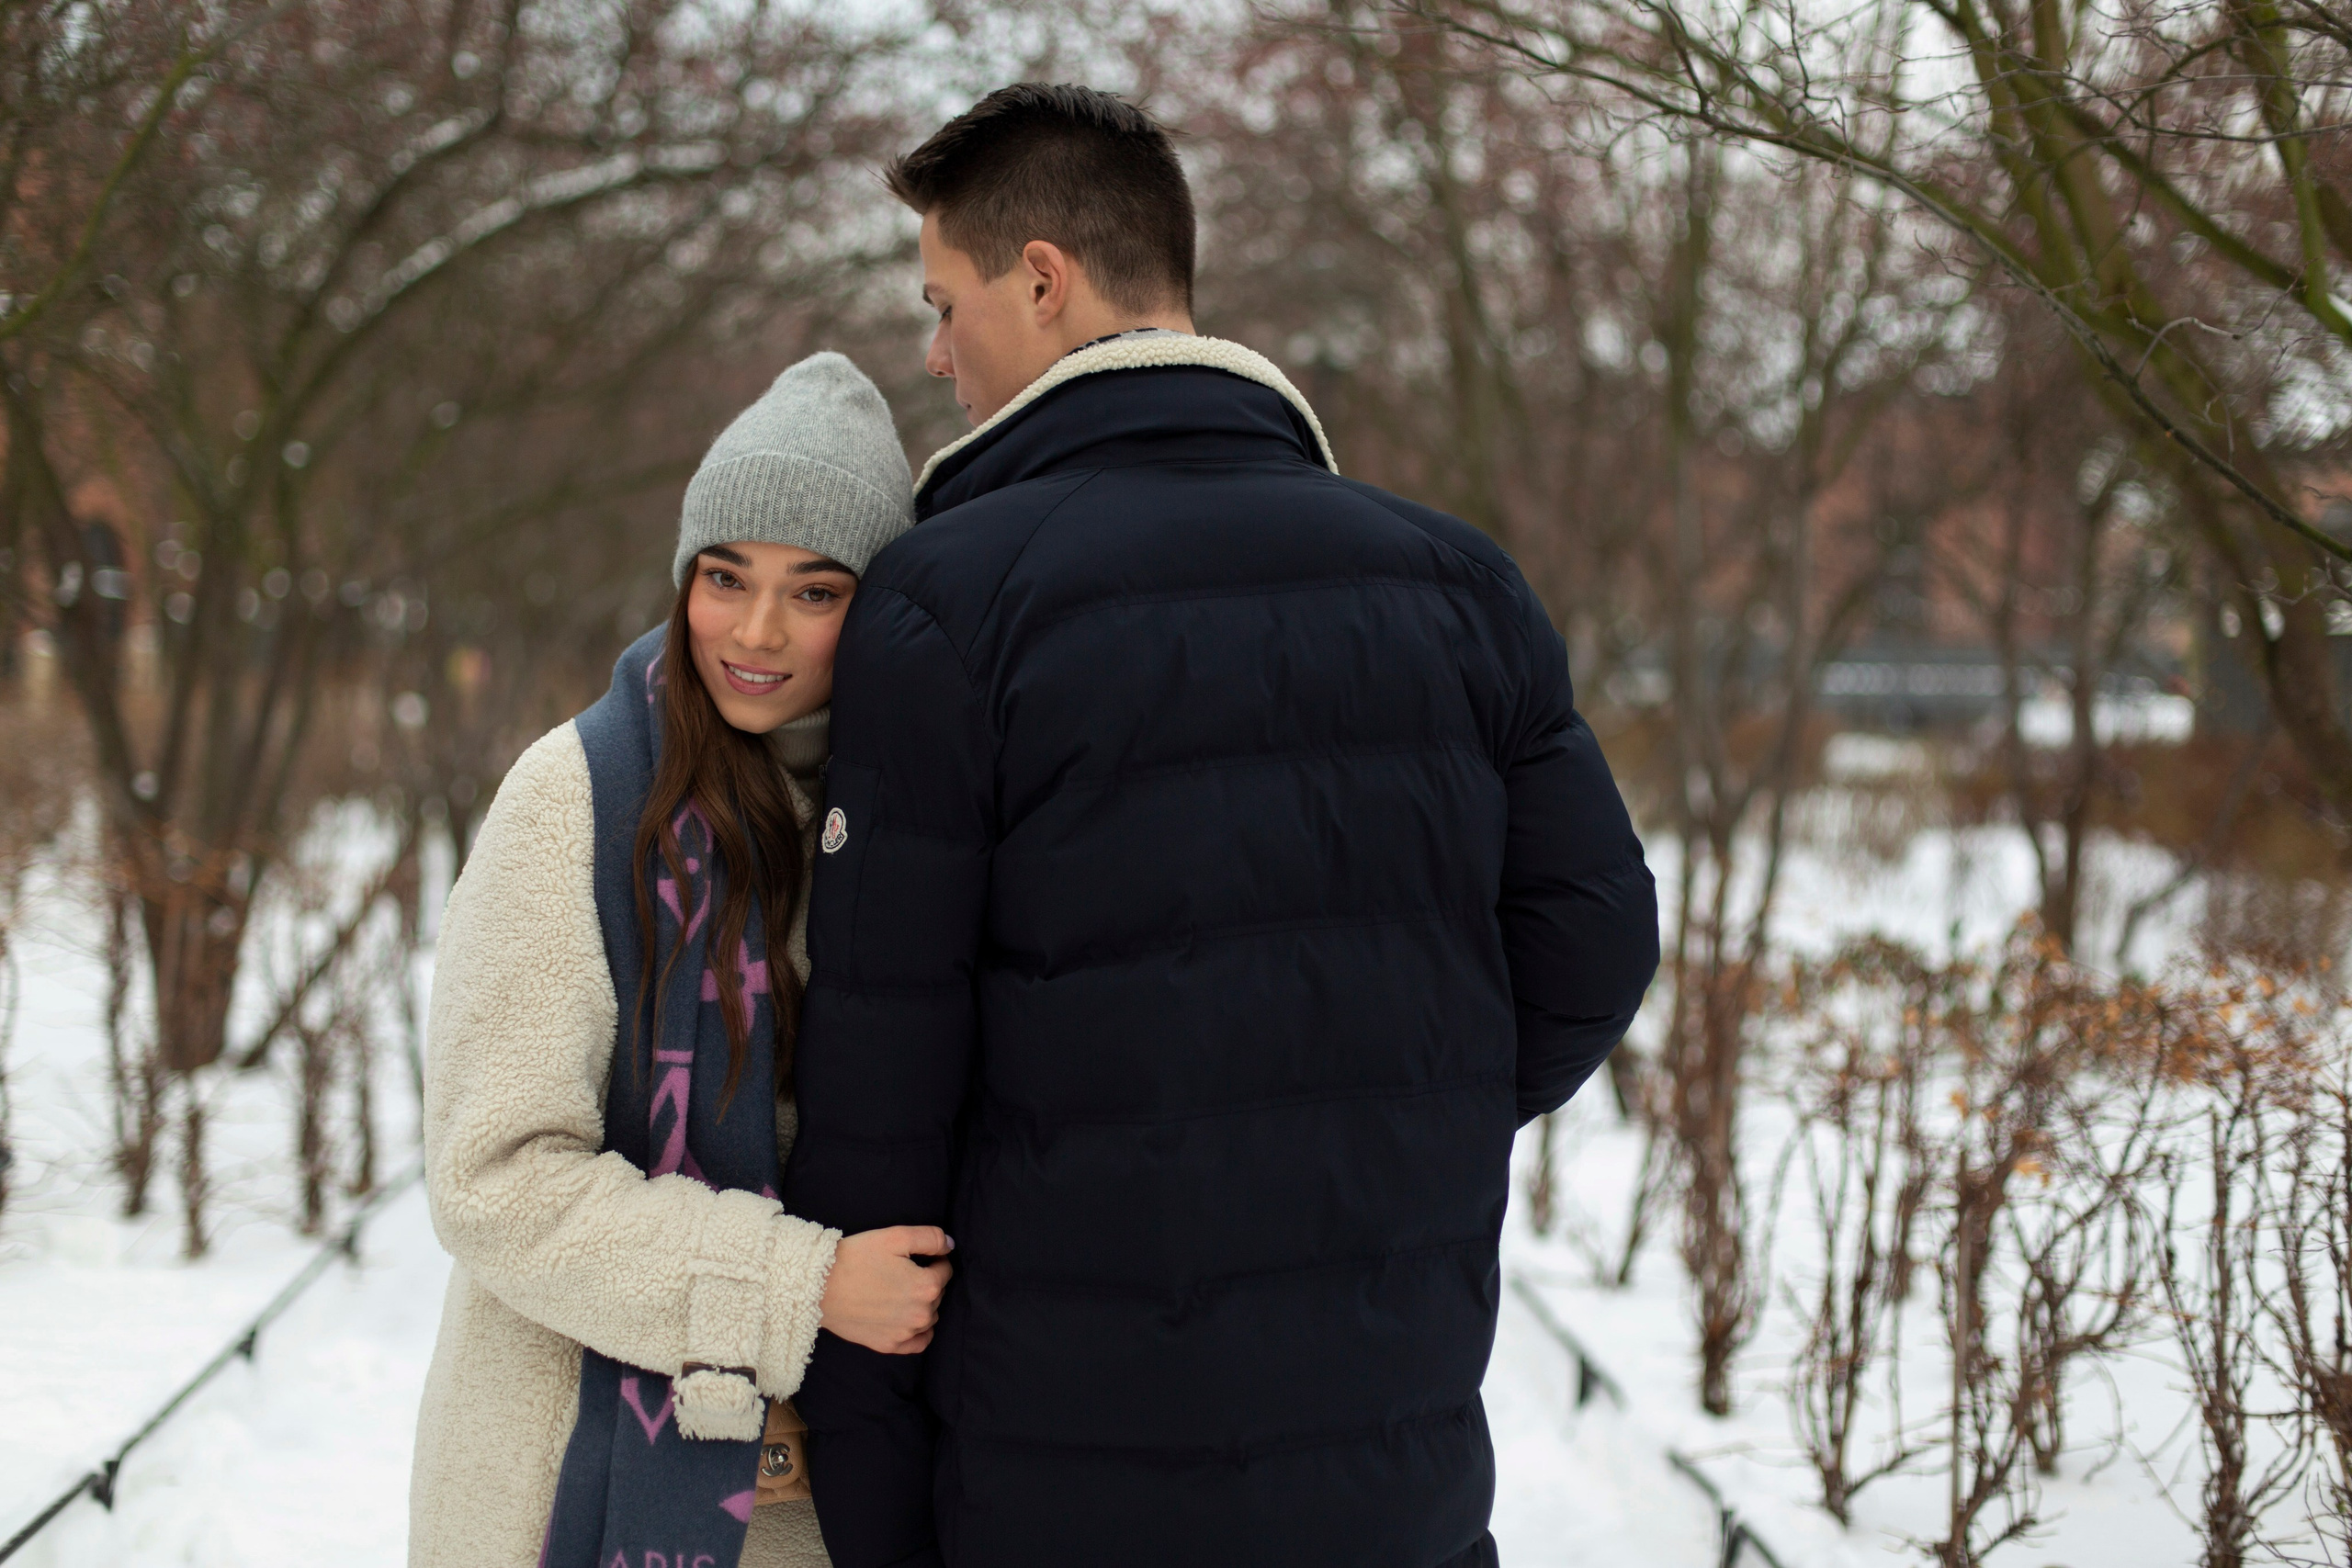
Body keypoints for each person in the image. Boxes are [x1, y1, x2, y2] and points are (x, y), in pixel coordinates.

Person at [784, 85, 1661, 1568]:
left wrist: (873, 1498)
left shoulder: (946, 604)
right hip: (1391, 1473)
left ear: (1043, 280)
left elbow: (883, 1108)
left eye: (945, 304)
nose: (936, 353)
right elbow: (1594, 942)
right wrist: (1368, 1135)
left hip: (1063, 1471)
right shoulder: (1459, 585)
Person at [410, 354, 948, 1568]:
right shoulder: (580, 798)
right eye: (725, 579)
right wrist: (803, 1289)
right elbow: (497, 1179)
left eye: (815, 591)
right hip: (585, 1482)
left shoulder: (925, 820)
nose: (755, 634)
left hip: (849, 1500)